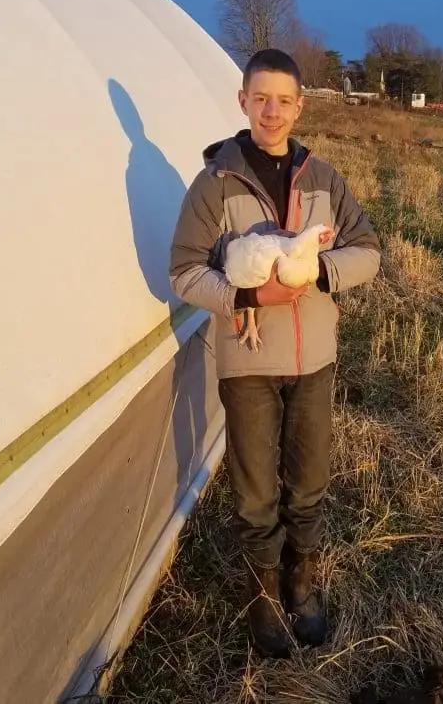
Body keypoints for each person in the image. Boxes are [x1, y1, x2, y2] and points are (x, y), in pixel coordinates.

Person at [168, 48, 381, 658]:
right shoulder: (215, 185)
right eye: (260, 98)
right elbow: (183, 272)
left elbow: (367, 251)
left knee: (309, 481)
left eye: (284, 100)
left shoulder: (323, 178)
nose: (272, 111)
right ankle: (262, 597)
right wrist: (247, 295)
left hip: (313, 357)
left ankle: (301, 583)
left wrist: (316, 277)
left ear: (299, 107)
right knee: (255, 489)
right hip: (249, 362)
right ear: (242, 101)